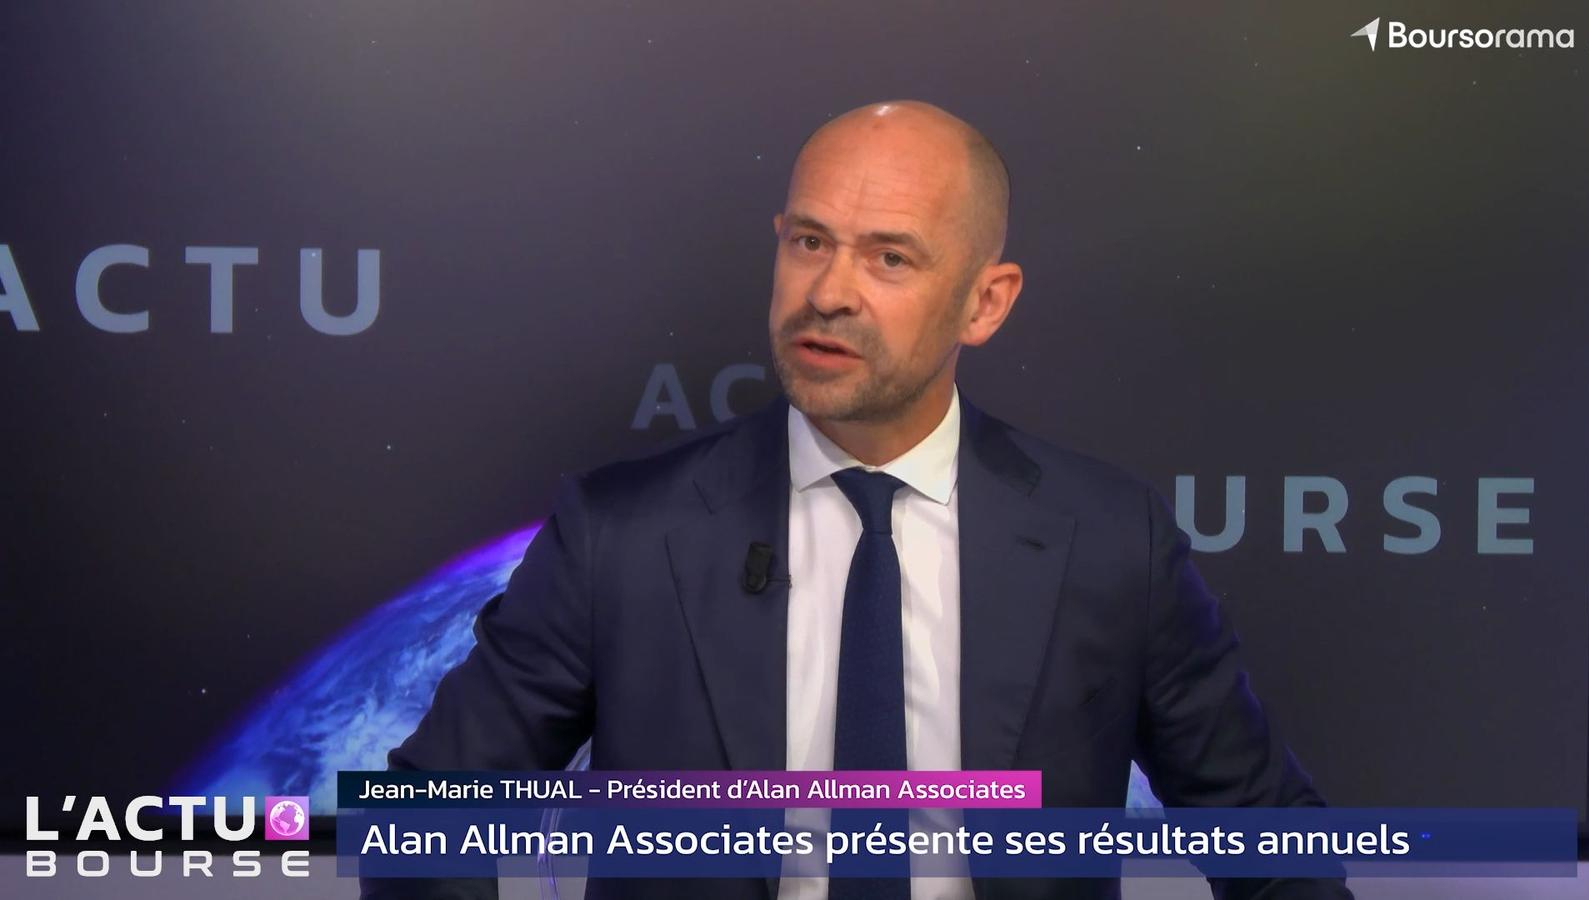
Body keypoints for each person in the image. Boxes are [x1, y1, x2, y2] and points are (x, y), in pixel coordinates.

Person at [360, 100, 1353, 900]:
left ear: (986, 302)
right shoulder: (620, 533)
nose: (828, 292)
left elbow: (1273, 848)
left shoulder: (1109, 541)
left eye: (889, 257)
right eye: (808, 242)